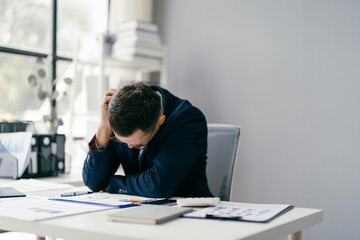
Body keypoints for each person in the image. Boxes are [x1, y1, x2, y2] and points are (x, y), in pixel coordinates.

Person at [82, 82, 213, 198]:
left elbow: (158, 185)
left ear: (160, 121)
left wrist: (112, 184)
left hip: (188, 213)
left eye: (139, 145)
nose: (129, 147)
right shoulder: (121, 115)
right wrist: (104, 127)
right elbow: (94, 182)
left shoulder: (188, 120)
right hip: (138, 207)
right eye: (120, 140)